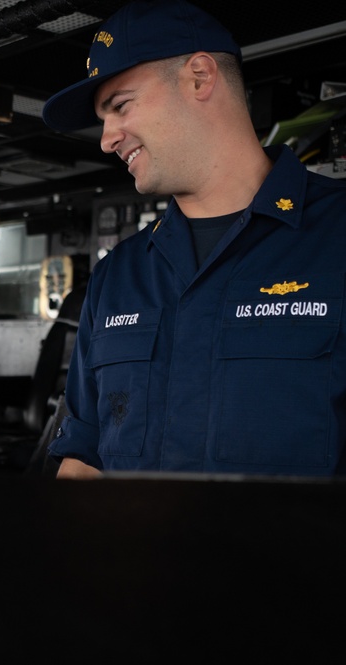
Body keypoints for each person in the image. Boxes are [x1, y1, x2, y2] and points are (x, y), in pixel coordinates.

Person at [40, 0, 346, 478]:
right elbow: (83, 457)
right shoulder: (118, 276)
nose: (106, 139)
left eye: (120, 106)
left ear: (200, 77)